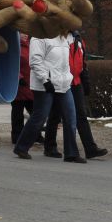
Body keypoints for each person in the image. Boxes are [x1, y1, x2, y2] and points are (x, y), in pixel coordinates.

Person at [14, 33, 85, 163]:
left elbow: (65, 62)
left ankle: (71, 153)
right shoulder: (39, 37)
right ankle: (21, 147)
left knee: (71, 118)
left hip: (63, 84)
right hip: (45, 85)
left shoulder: (64, 37)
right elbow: (35, 61)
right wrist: (45, 80)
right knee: (40, 117)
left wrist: (67, 77)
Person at [43, 30, 108, 159]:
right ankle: (50, 147)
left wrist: (86, 82)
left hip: (75, 82)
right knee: (55, 115)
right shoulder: (56, 36)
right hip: (61, 81)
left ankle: (90, 148)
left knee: (81, 115)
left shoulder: (77, 38)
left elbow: (82, 64)